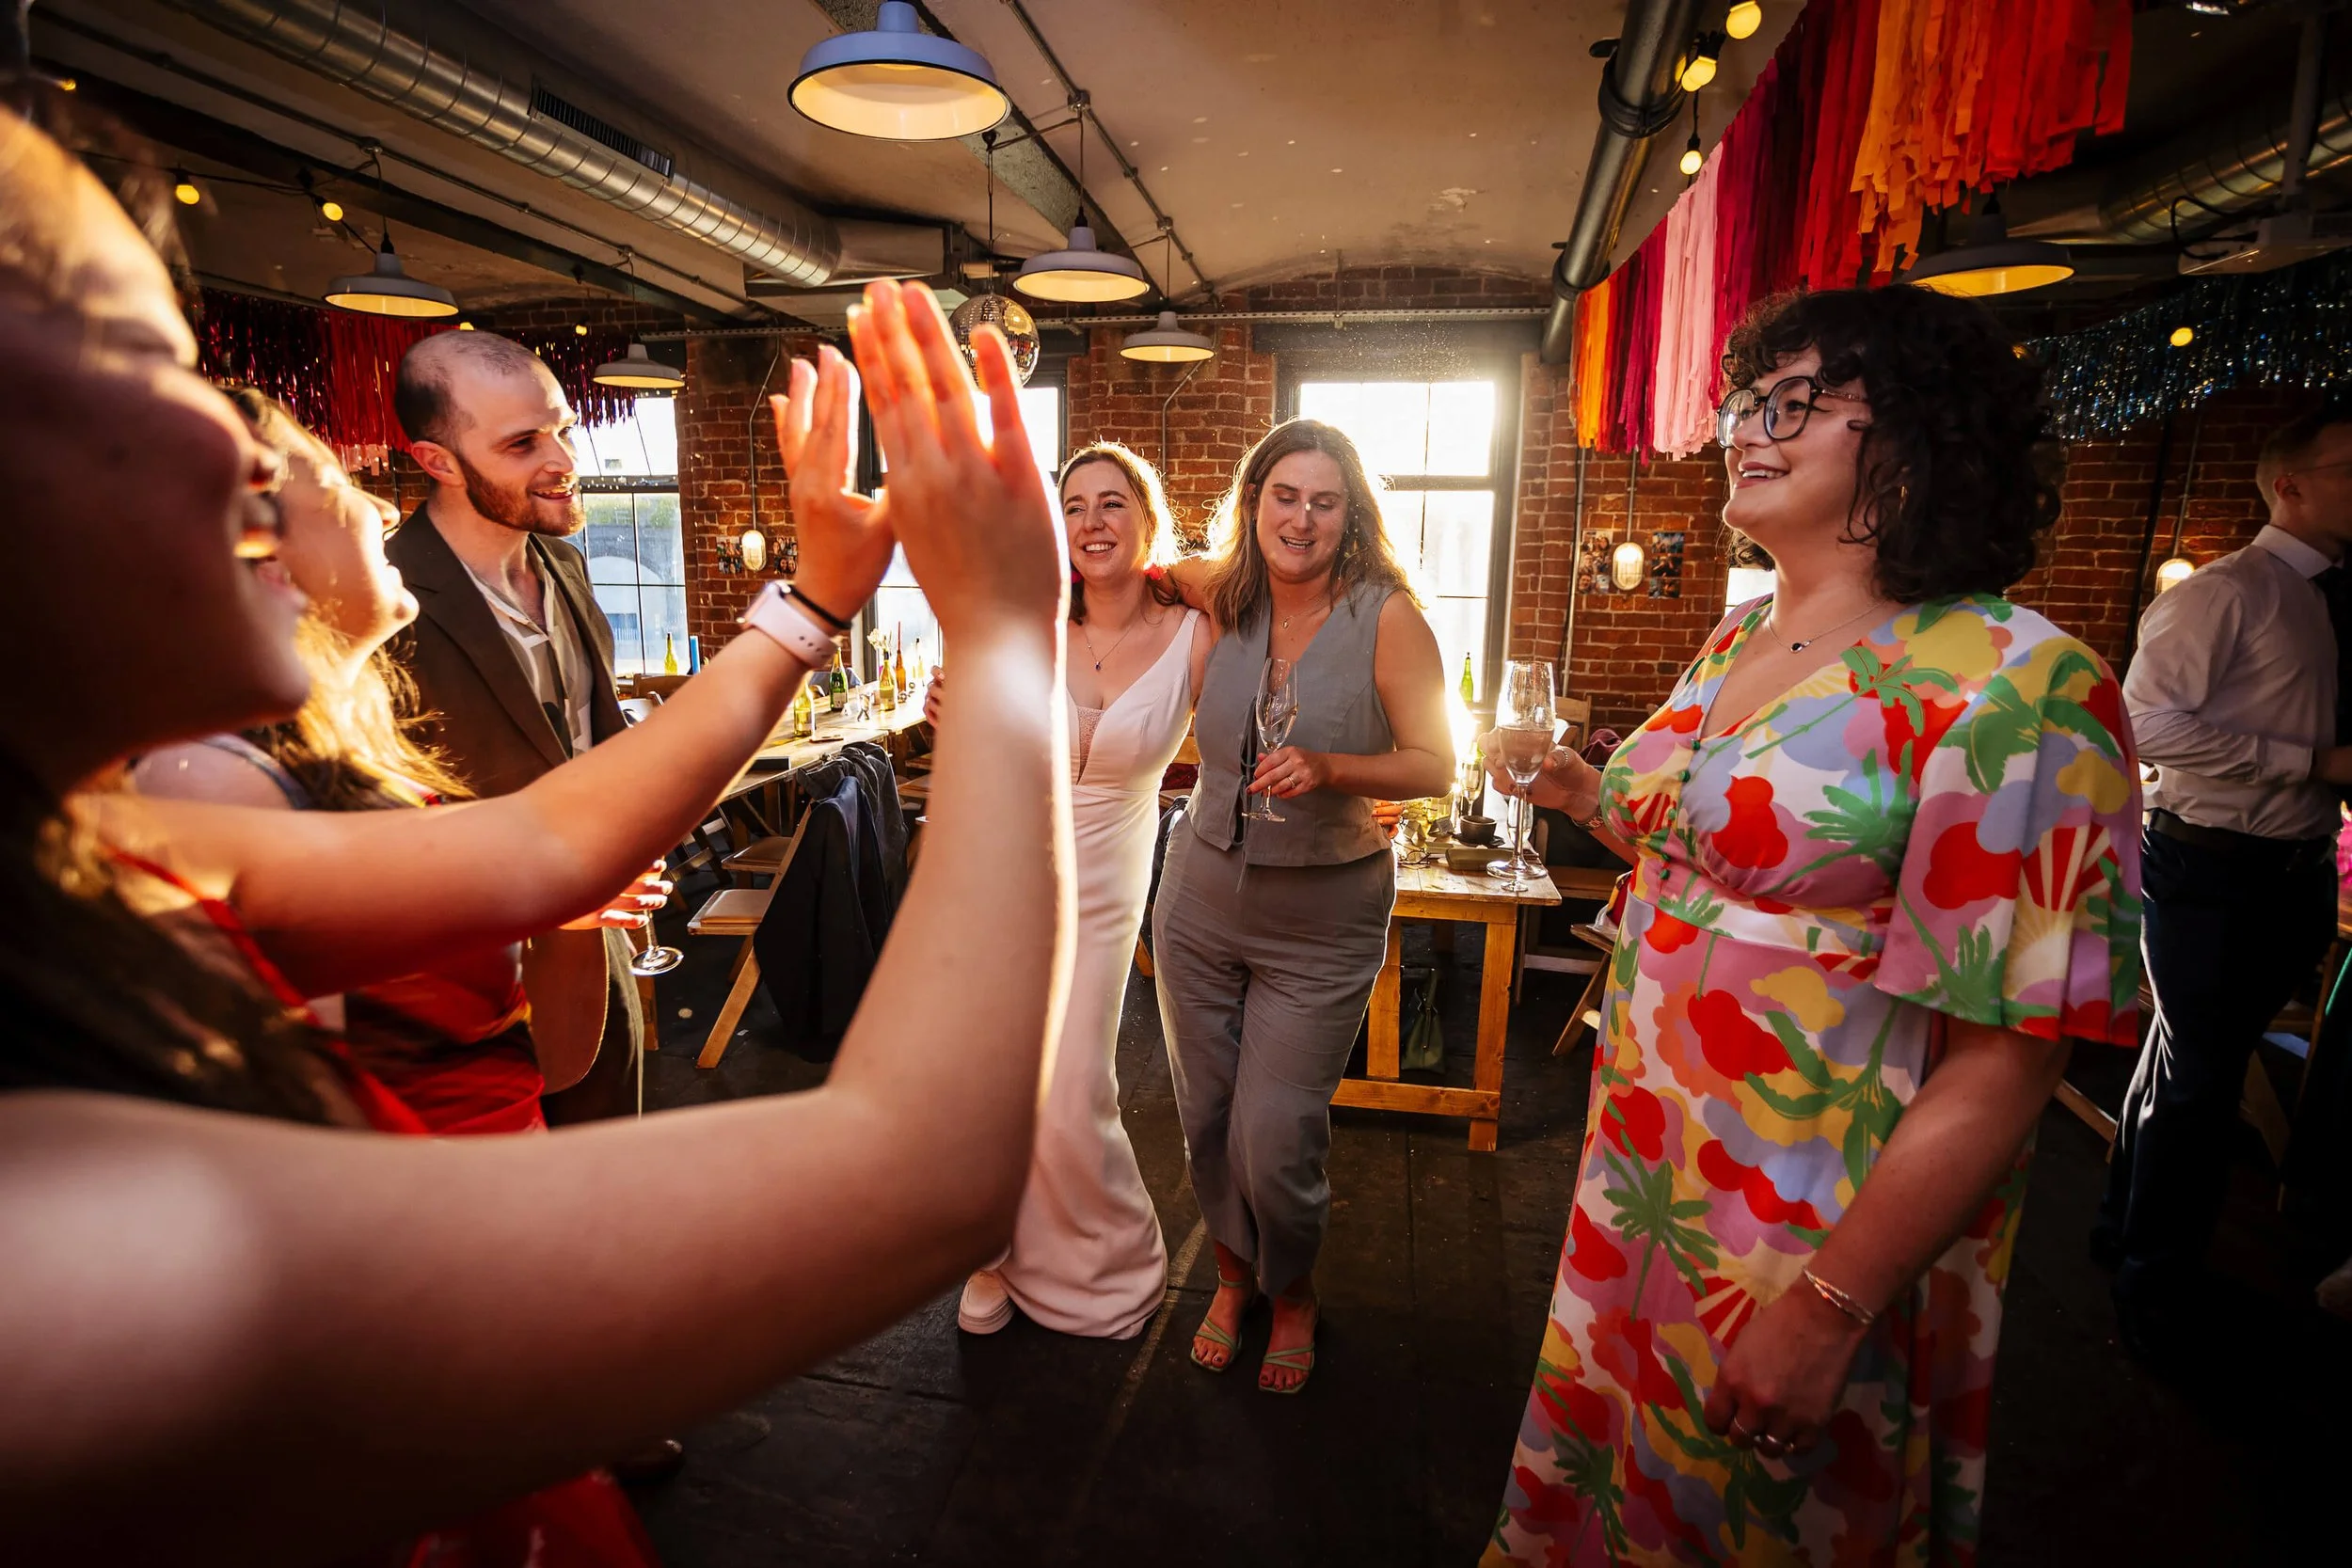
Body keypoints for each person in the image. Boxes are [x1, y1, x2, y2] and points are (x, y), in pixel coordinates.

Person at [0, 96, 1068, 1563]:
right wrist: (1011, 633)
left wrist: (813, 601)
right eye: (141, 354)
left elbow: (553, 839)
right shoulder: (56, 1227)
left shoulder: (120, 849)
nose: (251, 449)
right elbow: (927, 1169)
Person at [1480, 288, 2142, 1564]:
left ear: (1922, 436)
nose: (1746, 426)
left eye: (1794, 399)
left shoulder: (2018, 681)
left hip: (1811, 1201)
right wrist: (1573, 787)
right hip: (1649, 1162)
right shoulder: (1738, 637)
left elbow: (2012, 1051)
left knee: (1755, 1513)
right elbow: (1717, 856)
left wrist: (1834, 1302)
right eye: (1744, 399)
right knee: (1620, 1473)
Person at [132, 390, 667, 1132]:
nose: (384, 510)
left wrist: (566, 908)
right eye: (340, 483)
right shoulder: (211, 784)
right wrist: (804, 614)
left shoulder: (368, 742)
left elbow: (520, 1058)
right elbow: (298, 1138)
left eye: (564, 431)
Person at [1152, 420, 1454, 1393]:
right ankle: (1234, 1279)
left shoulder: (1390, 616)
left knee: (1275, 1133)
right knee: (1204, 1115)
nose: (1301, 517)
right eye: (1284, 495)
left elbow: (1438, 765)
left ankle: (1294, 1289)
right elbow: (1129, 571)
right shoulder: (1220, 590)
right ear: (1254, 503)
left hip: (1324, 914)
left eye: (1324, 501)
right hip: (1198, 893)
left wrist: (1333, 766)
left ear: (1350, 514)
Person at [2095, 401, 2352, 1356]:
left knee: (2185, 1055)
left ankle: (2123, 1228)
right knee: (2202, 1079)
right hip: (2206, 861)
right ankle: (2154, 1288)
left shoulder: (2330, 597)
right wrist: (2312, 761)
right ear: (2289, 483)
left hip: (2291, 862)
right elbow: (2146, 725)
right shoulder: (2221, 592)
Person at [945, 441, 1212, 1338]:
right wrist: (958, 713)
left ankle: (1106, 1257)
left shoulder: (1193, 630)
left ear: (1147, 519)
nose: (1091, 523)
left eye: (1112, 504)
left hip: (1111, 866)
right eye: (1074, 506)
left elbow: (1250, 722)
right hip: (1011, 858)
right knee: (997, 1070)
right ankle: (992, 1250)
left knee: (1073, 1079)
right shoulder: (1029, 619)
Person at [384, 328, 644, 1127]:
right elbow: (380, 821)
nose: (562, 457)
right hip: (469, 993)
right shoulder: (384, 596)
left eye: (561, 427)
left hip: (604, 954)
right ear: (440, 462)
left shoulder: (563, 563)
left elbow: (589, 739)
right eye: (523, 442)